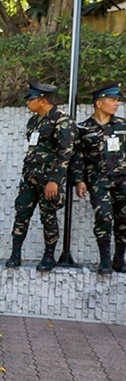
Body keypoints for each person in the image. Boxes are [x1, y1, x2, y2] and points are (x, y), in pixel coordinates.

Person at [6, 82, 76, 272]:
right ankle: (15, 254)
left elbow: (66, 153)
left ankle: (49, 256)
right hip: (30, 178)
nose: (27, 102)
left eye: (31, 99)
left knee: (48, 217)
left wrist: (54, 180)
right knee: (21, 214)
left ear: (43, 101)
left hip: (48, 180)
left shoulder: (62, 121)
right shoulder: (34, 121)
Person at [72, 83, 126, 274]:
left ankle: (119, 260)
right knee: (103, 217)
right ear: (99, 103)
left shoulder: (122, 125)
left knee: (124, 219)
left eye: (117, 100)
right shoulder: (84, 128)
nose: (116, 104)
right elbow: (78, 158)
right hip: (98, 181)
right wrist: (79, 180)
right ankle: (105, 261)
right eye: (112, 100)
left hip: (123, 180)